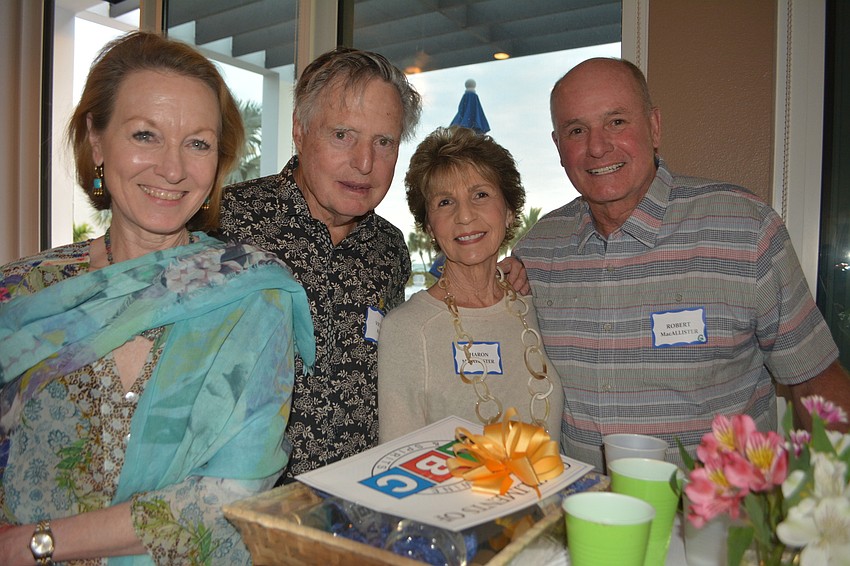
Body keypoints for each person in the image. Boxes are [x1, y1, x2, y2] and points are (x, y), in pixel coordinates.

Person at [0, 32, 315, 565]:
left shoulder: (252, 296)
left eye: (198, 143)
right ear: (96, 142)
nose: (173, 169)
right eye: (145, 135)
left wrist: (37, 544)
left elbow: (232, 494)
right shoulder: (22, 292)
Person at [512, 57, 850, 471]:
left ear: (654, 127)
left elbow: (815, 380)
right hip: (584, 521)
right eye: (577, 130)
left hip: (717, 526)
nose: (597, 146)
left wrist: (829, 500)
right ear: (558, 146)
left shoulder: (745, 231)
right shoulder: (537, 252)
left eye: (616, 122)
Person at [378, 126, 563, 442]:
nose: (464, 216)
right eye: (445, 202)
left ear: (508, 211)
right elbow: (398, 462)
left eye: (480, 194)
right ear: (429, 226)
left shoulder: (535, 305)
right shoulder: (407, 329)